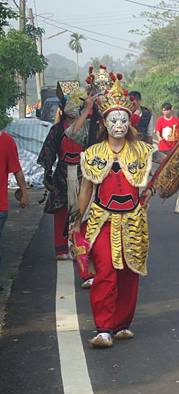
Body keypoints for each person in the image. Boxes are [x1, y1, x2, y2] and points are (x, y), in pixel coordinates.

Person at [71, 72, 154, 349]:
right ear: (104, 123)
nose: (118, 124)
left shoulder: (142, 151)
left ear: (129, 122)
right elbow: (86, 188)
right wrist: (77, 219)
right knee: (105, 269)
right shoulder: (94, 152)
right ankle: (104, 327)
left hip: (132, 218)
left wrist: (150, 191)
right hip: (102, 219)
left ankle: (121, 324)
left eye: (123, 119)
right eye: (113, 120)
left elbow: (148, 185)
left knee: (129, 272)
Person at [37, 81, 95, 287]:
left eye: (75, 103)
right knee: (61, 210)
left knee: (83, 211)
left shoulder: (87, 128)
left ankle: (83, 247)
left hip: (82, 173)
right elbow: (48, 152)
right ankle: (61, 248)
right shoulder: (56, 129)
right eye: (68, 104)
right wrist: (47, 173)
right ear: (62, 106)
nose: (72, 107)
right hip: (62, 172)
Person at [0, 131, 29, 291]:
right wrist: (23, 193)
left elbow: (17, 170)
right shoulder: (7, 140)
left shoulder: (7, 141)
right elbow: (17, 170)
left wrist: (24, 192)